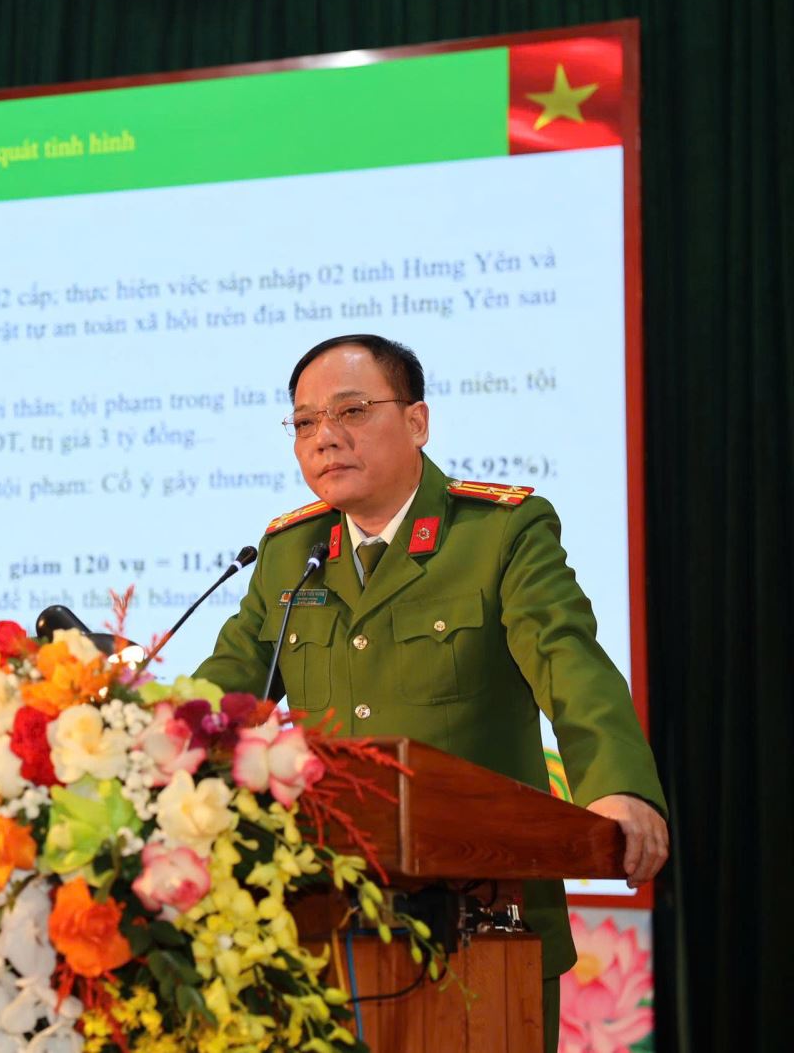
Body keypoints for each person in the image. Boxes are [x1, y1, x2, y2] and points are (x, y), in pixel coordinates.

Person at [195, 334, 668, 1053]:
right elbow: (224, 695)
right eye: (305, 422)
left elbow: (567, 660)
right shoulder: (291, 553)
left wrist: (618, 785)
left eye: (351, 411)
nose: (325, 437)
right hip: (324, 922)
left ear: (416, 421)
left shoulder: (499, 533)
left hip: (485, 925)